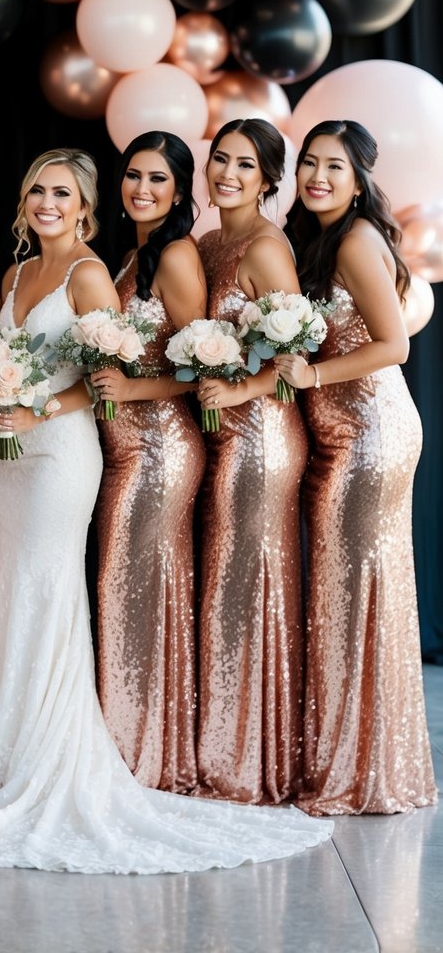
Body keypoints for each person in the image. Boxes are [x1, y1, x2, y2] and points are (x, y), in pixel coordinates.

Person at [0, 148, 332, 874]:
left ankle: (55, 758)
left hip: (63, 453)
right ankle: (8, 753)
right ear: (22, 201)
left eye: (63, 193)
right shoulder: (17, 274)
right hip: (10, 457)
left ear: (83, 208)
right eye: (37, 190)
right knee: (14, 590)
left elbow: (108, 379)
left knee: (50, 589)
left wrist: (39, 403)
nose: (48, 202)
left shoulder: (93, 272)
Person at [276, 119, 436, 815]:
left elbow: (394, 344)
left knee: (354, 598)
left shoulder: (358, 239)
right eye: (308, 163)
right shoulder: (317, 240)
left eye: (333, 167)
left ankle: (356, 772)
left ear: (359, 178)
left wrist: (309, 377)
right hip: (337, 436)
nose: (316, 176)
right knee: (349, 596)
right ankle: (359, 758)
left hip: (370, 433)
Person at [194, 119, 308, 805]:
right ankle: (226, 746)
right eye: (219, 159)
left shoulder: (265, 248)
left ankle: (252, 761)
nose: (227, 173)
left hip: (260, 435)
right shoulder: (209, 243)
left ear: (268, 180)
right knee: (226, 585)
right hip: (219, 434)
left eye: (244, 164)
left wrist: (240, 387)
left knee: (247, 584)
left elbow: (299, 358)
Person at [92, 132, 206, 792]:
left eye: (157, 180)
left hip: (160, 446)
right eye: (133, 176)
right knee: (126, 592)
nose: (141, 189)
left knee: (136, 592)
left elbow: (199, 364)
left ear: (180, 191)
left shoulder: (176, 256)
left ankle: (147, 757)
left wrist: (133, 389)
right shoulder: (137, 251)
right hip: (126, 447)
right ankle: (132, 745)